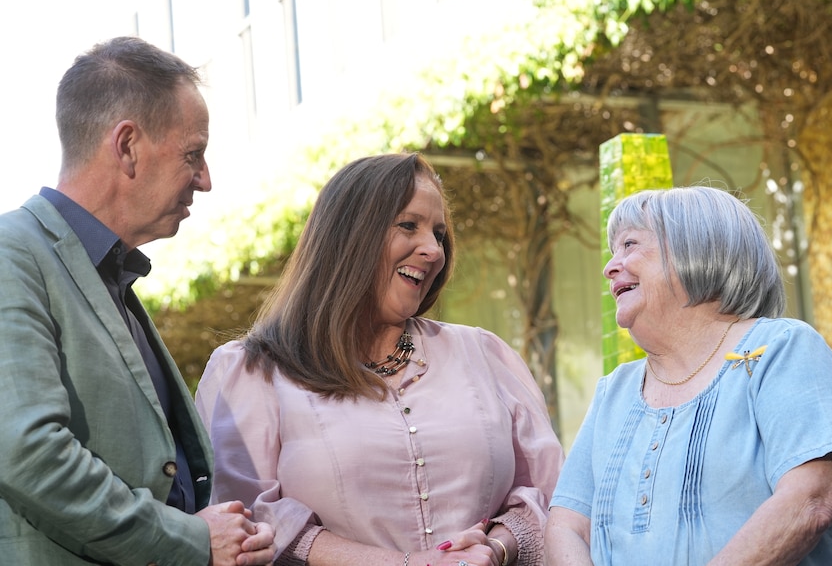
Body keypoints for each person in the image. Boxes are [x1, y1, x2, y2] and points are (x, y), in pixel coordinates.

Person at [194, 152, 564, 566]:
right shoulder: (251, 372)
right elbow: (243, 523)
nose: (433, 250)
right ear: (348, 237)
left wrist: (494, 548)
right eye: (409, 225)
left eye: (439, 234)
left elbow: (550, 497)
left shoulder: (484, 355)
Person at [0, 36, 276, 565]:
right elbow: (27, 451)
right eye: (193, 155)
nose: (206, 180)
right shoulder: (14, 255)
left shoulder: (109, 276)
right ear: (126, 145)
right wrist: (192, 540)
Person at [545, 185, 832, 565]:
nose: (610, 267)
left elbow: (811, 500)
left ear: (696, 247)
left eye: (630, 245)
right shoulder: (613, 390)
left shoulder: (782, 348)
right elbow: (567, 525)